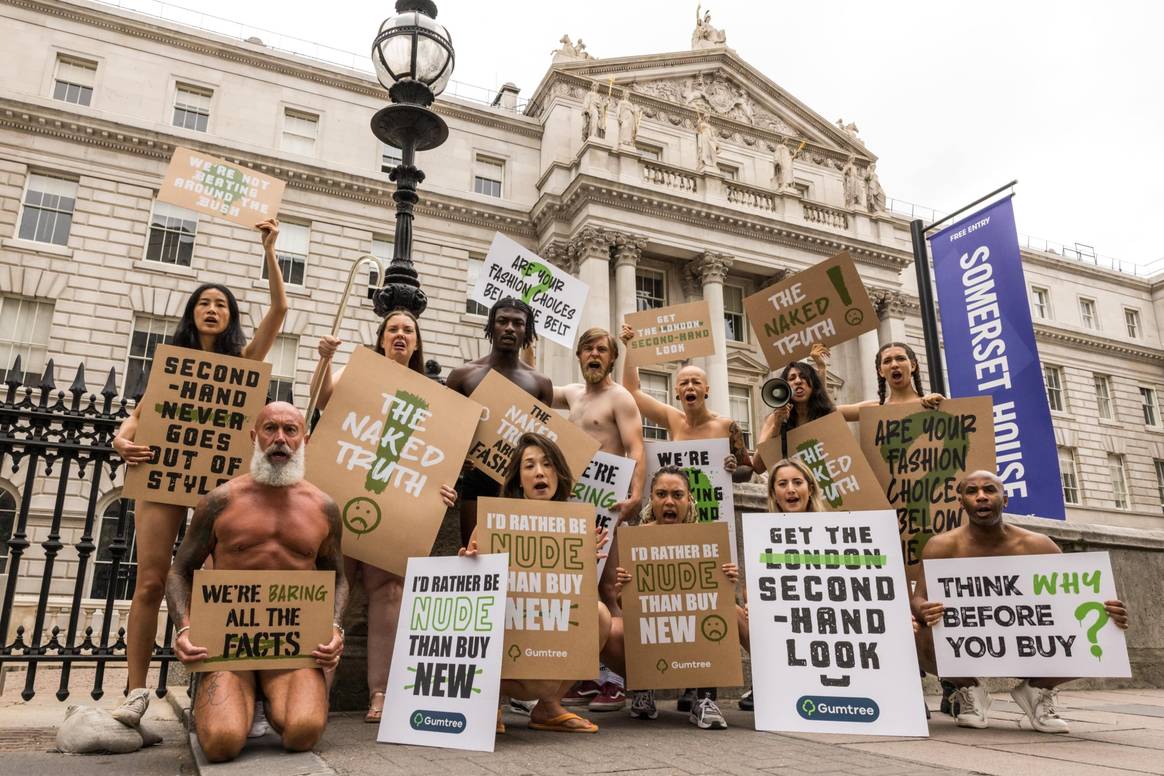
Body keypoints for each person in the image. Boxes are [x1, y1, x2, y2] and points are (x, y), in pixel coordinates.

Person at [110, 218, 287, 725]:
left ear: (229, 318)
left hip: (218, 488)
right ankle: (136, 692)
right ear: (192, 314)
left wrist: (270, 250)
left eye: (222, 305)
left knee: (216, 585)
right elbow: (139, 416)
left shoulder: (243, 361)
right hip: (162, 478)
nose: (212, 309)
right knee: (149, 583)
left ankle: (215, 689)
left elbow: (279, 310)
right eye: (204, 303)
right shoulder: (171, 364)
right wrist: (121, 439)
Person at [164, 402, 348, 763]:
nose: (280, 439)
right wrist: (184, 629)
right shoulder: (220, 501)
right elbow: (179, 571)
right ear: (254, 436)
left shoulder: (324, 508)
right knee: (221, 743)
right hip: (229, 644)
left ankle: (264, 698)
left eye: (290, 431)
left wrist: (335, 628)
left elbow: (338, 578)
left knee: (303, 733)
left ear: (304, 440)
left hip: (291, 644)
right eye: (270, 429)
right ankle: (229, 698)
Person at [310, 310, 458, 723]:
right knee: (334, 592)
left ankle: (381, 693)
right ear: (380, 338)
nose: (400, 334)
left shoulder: (434, 395)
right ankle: (317, 690)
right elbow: (322, 400)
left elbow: (437, 458)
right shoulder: (358, 371)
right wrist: (323, 360)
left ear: (416, 342)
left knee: (390, 591)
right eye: (392, 328)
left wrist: (443, 489)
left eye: (407, 330)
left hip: (394, 508)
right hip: (344, 498)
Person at [912, 470, 1130, 733]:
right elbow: (918, 598)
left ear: (1004, 499)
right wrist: (924, 609)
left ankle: (1038, 689)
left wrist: (1108, 611)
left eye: (989, 490)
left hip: (1028, 641)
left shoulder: (1038, 545)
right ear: (961, 502)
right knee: (914, 630)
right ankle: (969, 689)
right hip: (969, 640)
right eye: (972, 491)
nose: (981, 497)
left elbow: (1074, 601)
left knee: (1105, 629)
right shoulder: (941, 546)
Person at [461, 433, 612, 733]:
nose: (540, 472)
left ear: (559, 472)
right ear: (519, 479)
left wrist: (583, 564)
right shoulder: (495, 522)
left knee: (598, 614)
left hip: (545, 650)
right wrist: (470, 563)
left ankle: (548, 706)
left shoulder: (576, 526)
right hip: (506, 650)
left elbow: (575, 608)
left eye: (547, 464)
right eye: (529, 465)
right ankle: (488, 702)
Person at [603, 465, 747, 729]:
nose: (669, 501)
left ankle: (703, 698)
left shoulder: (707, 540)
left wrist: (728, 580)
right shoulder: (637, 540)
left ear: (688, 499)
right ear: (652, 499)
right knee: (611, 628)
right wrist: (624, 592)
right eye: (661, 494)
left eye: (677, 494)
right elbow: (627, 606)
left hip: (693, 633)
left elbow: (717, 599)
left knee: (730, 612)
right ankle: (644, 688)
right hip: (653, 632)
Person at [553, 327, 646, 711]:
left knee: (610, 591)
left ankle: (618, 680)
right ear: (579, 355)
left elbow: (636, 445)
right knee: (580, 593)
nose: (594, 355)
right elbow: (533, 390)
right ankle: (589, 674)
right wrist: (527, 347)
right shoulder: (573, 394)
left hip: (608, 506)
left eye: (602, 350)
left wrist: (636, 494)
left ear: (611, 358)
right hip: (574, 506)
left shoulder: (619, 397)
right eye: (588, 349)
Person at [447, 298, 553, 547]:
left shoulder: (540, 383)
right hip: (477, 480)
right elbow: (446, 430)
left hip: (521, 482)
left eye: (518, 323)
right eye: (502, 321)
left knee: (519, 562)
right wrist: (456, 459)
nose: (509, 328)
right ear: (491, 326)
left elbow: (542, 442)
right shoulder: (463, 376)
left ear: (526, 331)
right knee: (474, 558)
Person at [618, 324, 752, 482]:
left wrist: (732, 470)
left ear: (706, 389)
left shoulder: (726, 426)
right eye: (684, 383)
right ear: (677, 391)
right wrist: (631, 349)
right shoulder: (673, 419)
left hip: (714, 504)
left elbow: (748, 470)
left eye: (696, 382)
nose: (689, 387)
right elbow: (632, 392)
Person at [751, 344, 831, 473]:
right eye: (792, 378)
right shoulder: (775, 418)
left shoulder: (823, 413)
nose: (798, 381)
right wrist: (776, 425)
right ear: (784, 386)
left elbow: (822, 396)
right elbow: (758, 466)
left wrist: (821, 367)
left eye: (803, 377)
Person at [839, 341, 944, 420]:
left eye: (900, 359)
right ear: (881, 371)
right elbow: (827, 412)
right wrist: (822, 370)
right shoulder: (874, 409)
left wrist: (945, 405)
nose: (894, 365)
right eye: (887, 361)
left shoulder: (931, 404)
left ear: (913, 366)